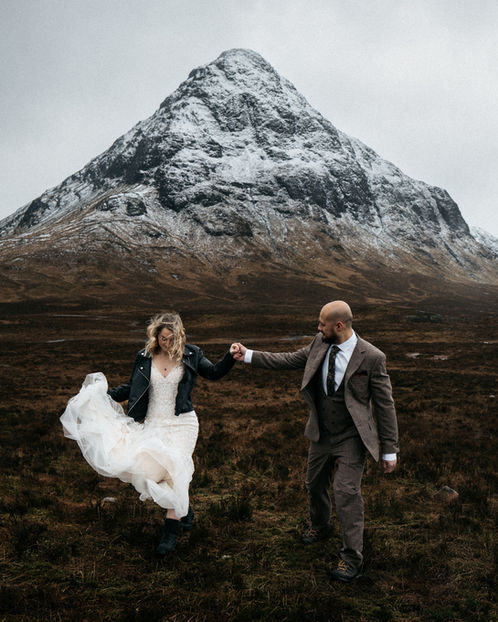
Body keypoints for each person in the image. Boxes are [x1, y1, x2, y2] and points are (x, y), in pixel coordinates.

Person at [231, 300, 399, 582]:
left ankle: (351, 558)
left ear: (339, 326)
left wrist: (389, 450)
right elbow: (287, 360)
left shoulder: (372, 357)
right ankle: (320, 526)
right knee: (314, 483)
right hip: (321, 433)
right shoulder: (319, 344)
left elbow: (385, 405)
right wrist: (249, 355)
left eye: (322, 323)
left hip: (352, 438)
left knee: (346, 493)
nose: (317, 327)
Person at [61, 312, 237, 556]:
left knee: (176, 470)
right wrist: (103, 396)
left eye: (171, 338)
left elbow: (215, 372)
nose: (167, 343)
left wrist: (230, 356)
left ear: (180, 334)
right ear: (156, 336)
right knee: (149, 474)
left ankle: (169, 534)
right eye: (163, 338)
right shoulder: (144, 357)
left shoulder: (192, 354)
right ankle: (185, 506)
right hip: (154, 424)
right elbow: (133, 389)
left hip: (182, 425)